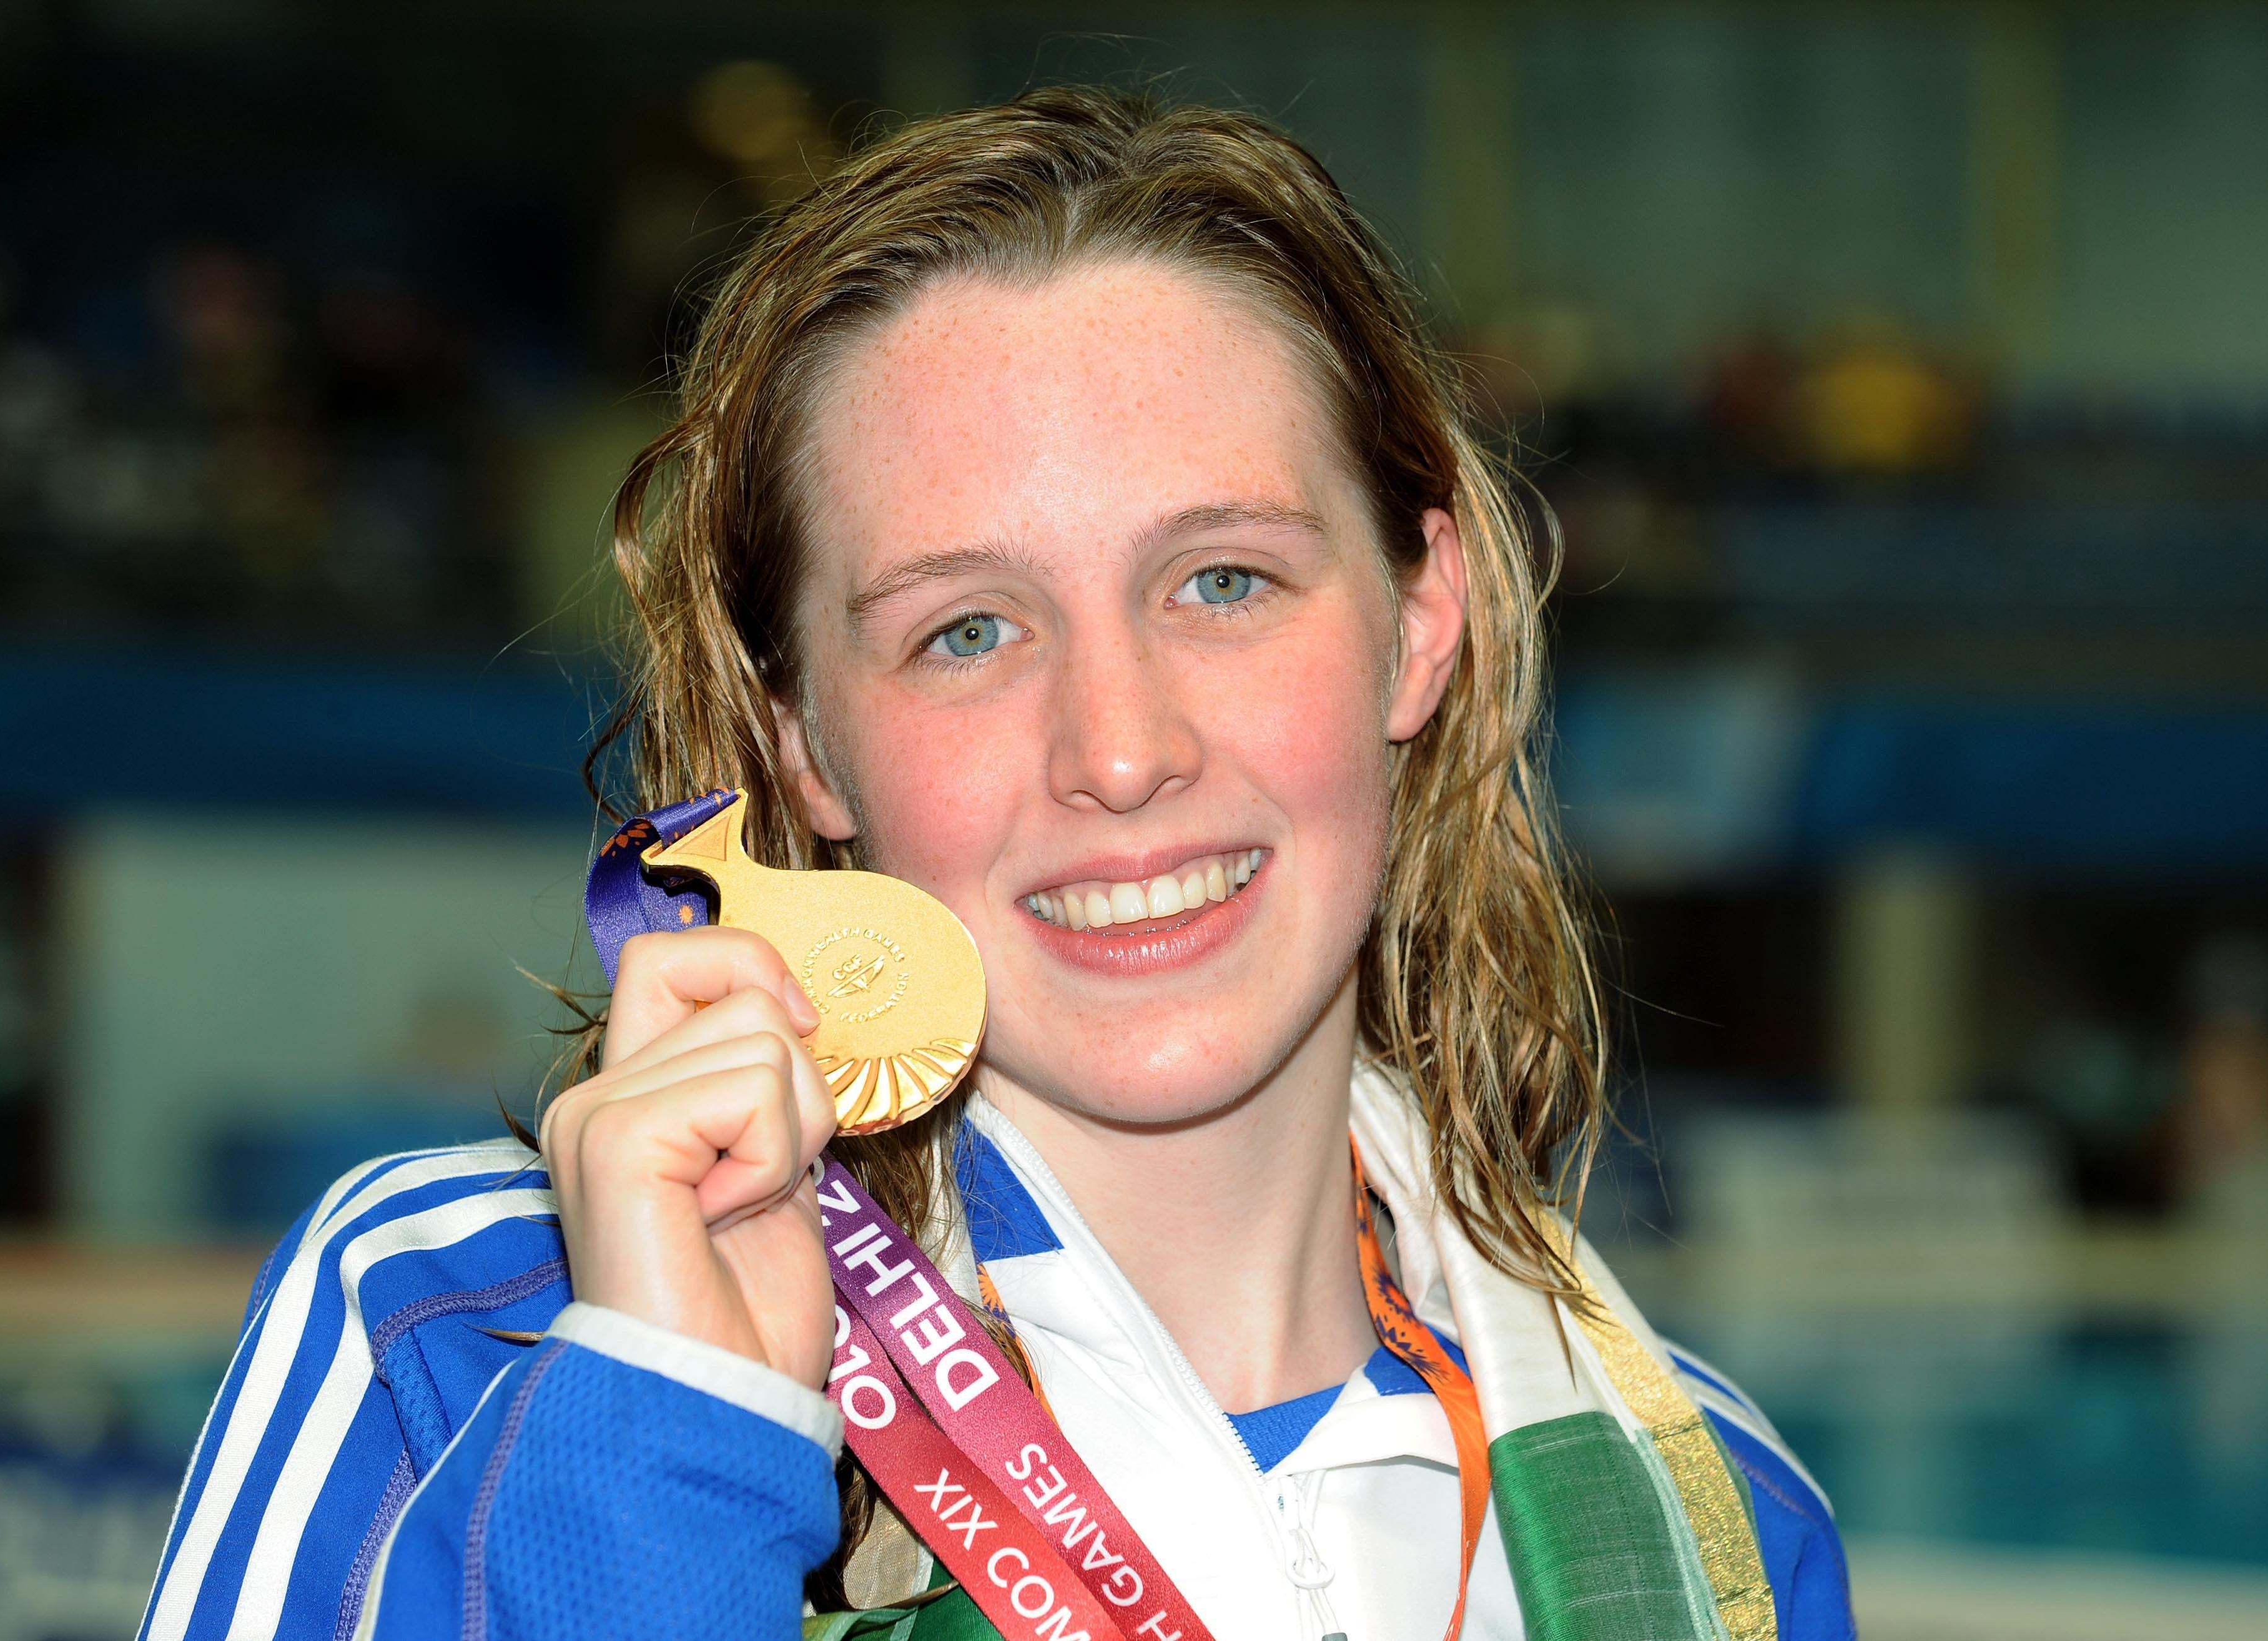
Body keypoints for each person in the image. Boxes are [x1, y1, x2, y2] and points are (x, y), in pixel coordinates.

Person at [137, 89, 1851, 1641]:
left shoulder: (1711, 1536)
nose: (1118, 748)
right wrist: (668, 1436)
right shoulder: (463, 1334)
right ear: (803, 735)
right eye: (964, 629)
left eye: (1224, 581)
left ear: (1420, 621)